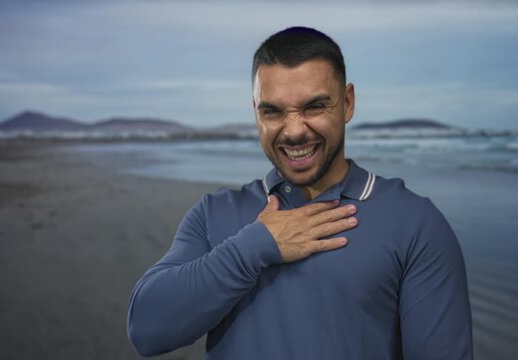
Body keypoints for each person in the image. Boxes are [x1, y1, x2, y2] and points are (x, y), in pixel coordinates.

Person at [127, 26, 473, 360]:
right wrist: (255, 246)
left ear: (347, 103)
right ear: (256, 113)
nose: (293, 131)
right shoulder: (213, 214)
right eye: (273, 111)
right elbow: (146, 330)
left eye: (314, 107)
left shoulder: (413, 223)